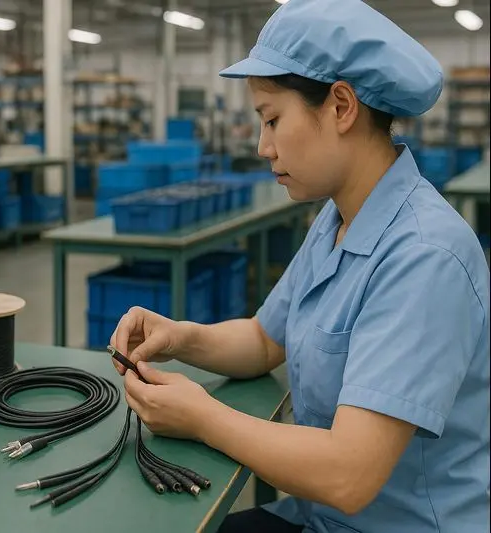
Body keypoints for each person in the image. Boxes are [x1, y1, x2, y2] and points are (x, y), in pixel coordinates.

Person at [109, 1, 490, 532]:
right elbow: (267, 340)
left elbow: (349, 476)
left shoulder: (425, 257)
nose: (264, 147)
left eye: (272, 119)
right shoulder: (338, 219)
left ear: (340, 106)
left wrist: (203, 418)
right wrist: (181, 338)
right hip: (323, 518)